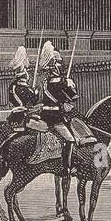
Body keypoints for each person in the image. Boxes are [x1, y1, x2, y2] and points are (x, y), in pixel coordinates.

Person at [37, 41, 83, 177]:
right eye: (58, 62)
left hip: (44, 114)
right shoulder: (59, 81)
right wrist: (70, 84)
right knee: (70, 140)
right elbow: (73, 97)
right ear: (53, 65)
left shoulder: (45, 81)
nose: (61, 65)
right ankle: (66, 168)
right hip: (55, 117)